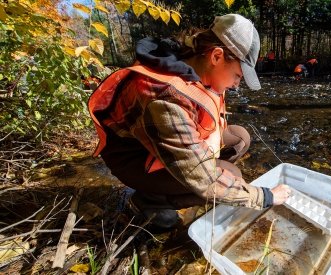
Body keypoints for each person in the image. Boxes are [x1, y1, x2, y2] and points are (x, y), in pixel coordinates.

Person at [88, 14, 291, 229]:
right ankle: (150, 200)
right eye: (238, 76)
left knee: (240, 138)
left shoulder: (197, 66)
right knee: (232, 176)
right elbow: (204, 179)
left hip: (161, 144)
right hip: (135, 158)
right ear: (216, 56)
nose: (236, 85)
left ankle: (174, 187)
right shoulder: (165, 97)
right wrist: (265, 197)